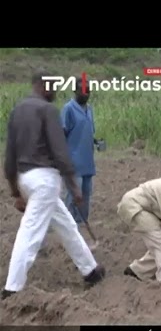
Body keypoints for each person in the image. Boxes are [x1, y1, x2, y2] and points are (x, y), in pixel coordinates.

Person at [1, 72, 106, 300]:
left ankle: (90, 270)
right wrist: (73, 186)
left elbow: (9, 156)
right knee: (30, 232)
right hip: (44, 181)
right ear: (45, 86)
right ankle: (12, 288)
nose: (56, 91)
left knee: (67, 224)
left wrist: (16, 191)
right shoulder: (48, 110)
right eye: (54, 86)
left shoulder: (18, 110)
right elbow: (60, 152)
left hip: (24, 177)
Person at [61, 77, 99, 224]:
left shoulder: (89, 110)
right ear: (75, 91)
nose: (86, 94)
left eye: (88, 91)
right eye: (83, 91)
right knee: (72, 196)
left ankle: (81, 224)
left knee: (86, 194)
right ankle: (67, 225)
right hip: (73, 162)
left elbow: (87, 132)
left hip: (87, 161)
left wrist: (96, 141)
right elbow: (62, 134)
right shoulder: (68, 109)